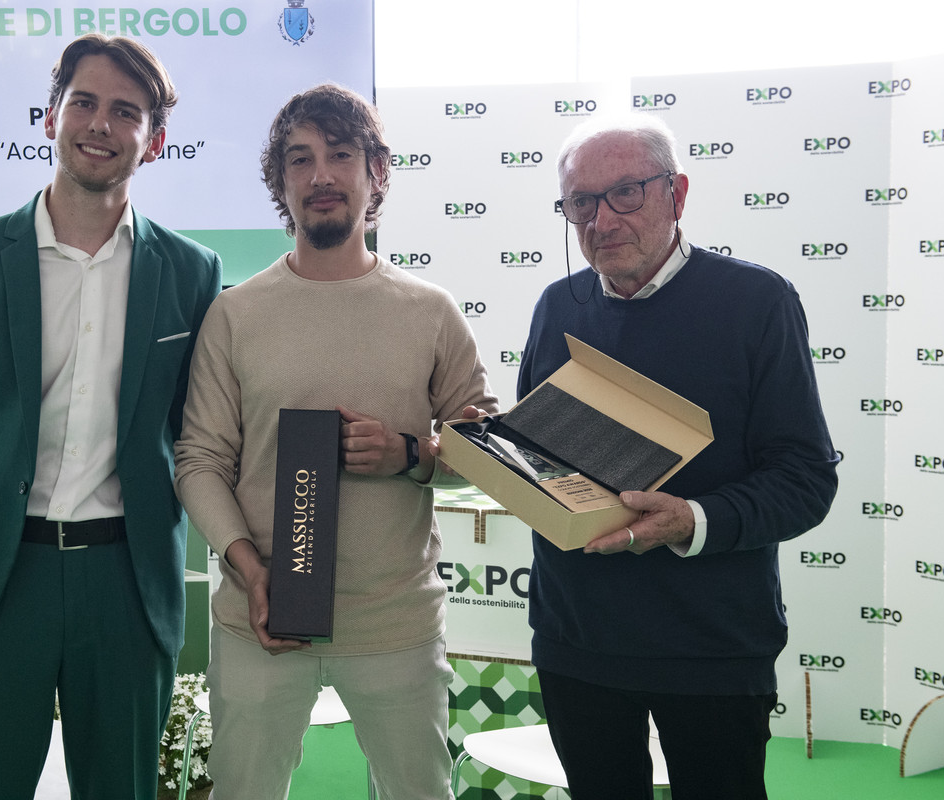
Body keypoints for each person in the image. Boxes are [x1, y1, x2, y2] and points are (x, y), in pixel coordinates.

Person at [0, 34, 221, 800]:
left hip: (127, 580)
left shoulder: (191, 272)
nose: (101, 124)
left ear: (155, 141)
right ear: (50, 118)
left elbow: (192, 429)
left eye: (126, 111)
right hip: (0, 577)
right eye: (84, 102)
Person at [173, 83, 498, 800]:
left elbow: (488, 454)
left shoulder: (431, 312)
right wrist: (250, 569)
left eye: (341, 154)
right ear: (280, 182)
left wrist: (410, 456)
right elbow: (199, 460)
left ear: (376, 172)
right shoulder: (234, 314)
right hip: (260, 618)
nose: (320, 174)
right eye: (300, 158)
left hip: (395, 623)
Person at [514, 113, 839, 799]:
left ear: (677, 193)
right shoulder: (557, 305)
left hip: (711, 645)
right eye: (581, 202)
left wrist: (692, 520)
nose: (602, 220)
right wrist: (493, 452)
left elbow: (805, 479)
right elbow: (539, 459)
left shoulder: (756, 302)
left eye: (626, 192)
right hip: (577, 636)